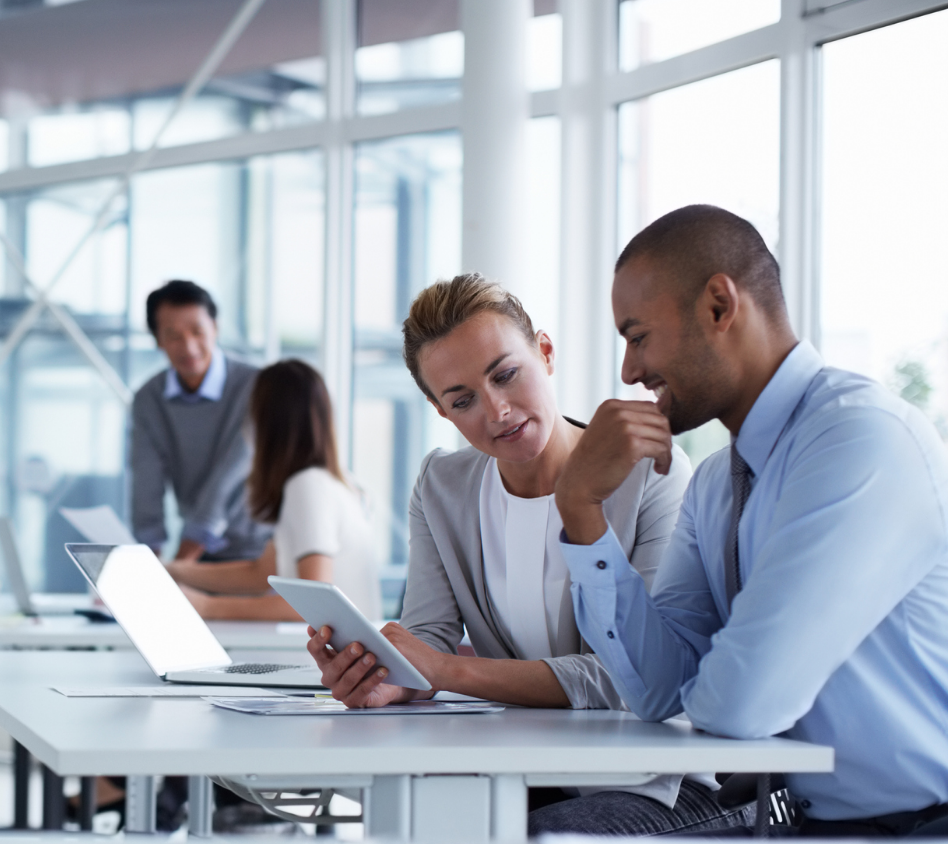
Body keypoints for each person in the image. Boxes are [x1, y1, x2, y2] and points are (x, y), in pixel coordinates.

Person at [305, 274, 750, 836]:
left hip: (656, 781)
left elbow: (633, 678)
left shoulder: (650, 476)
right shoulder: (443, 485)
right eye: (462, 399)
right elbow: (427, 642)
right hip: (525, 771)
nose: (496, 411)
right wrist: (386, 675)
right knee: (407, 827)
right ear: (441, 412)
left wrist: (448, 671)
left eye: (506, 375)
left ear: (544, 353)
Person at [552, 204, 948, 836]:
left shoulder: (858, 442)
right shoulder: (715, 484)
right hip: (811, 826)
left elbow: (739, 705)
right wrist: (579, 509)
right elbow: (659, 690)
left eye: (637, 335)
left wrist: (708, 683)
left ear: (718, 306)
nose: (628, 371)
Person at [168, 359, 381, 621]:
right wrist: (172, 571)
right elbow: (260, 573)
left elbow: (313, 604)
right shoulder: (337, 483)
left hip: (330, 657)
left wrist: (205, 606)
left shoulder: (308, 487)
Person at [131, 280, 271, 562]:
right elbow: (146, 480)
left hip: (260, 550)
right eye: (173, 335)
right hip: (200, 553)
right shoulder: (148, 398)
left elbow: (231, 475)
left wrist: (181, 562)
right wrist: (149, 561)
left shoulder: (257, 386)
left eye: (198, 331)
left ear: (215, 328)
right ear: (157, 340)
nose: (189, 347)